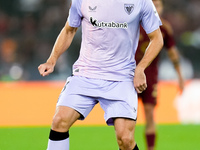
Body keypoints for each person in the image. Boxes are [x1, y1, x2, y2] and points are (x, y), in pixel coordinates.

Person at [38, 0, 163, 149]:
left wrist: (140, 68)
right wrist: (52, 59)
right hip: (85, 74)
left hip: (121, 78)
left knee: (125, 140)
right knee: (59, 121)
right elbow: (69, 30)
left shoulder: (141, 2)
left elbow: (157, 39)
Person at [135, 0, 184, 150]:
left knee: (150, 115)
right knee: (128, 118)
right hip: (129, 77)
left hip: (151, 77)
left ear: (162, 8)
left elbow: (173, 53)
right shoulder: (134, 24)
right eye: (153, 5)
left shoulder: (164, 27)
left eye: (158, 6)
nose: (156, 9)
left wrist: (180, 77)